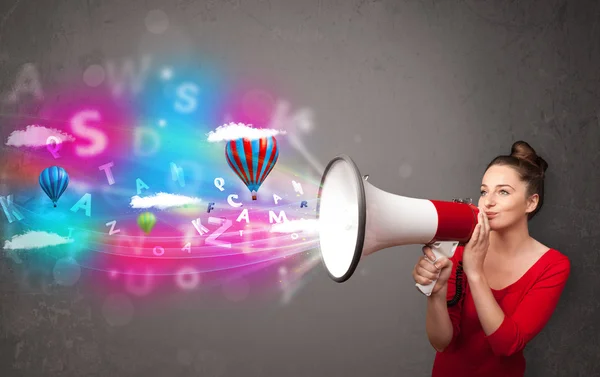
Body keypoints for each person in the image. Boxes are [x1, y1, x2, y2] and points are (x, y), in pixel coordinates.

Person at [412, 141, 571, 377]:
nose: (488, 202)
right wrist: (436, 293)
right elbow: (442, 343)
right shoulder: (460, 248)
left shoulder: (553, 266)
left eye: (503, 191)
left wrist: (475, 272)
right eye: (484, 191)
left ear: (531, 202)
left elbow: (507, 345)